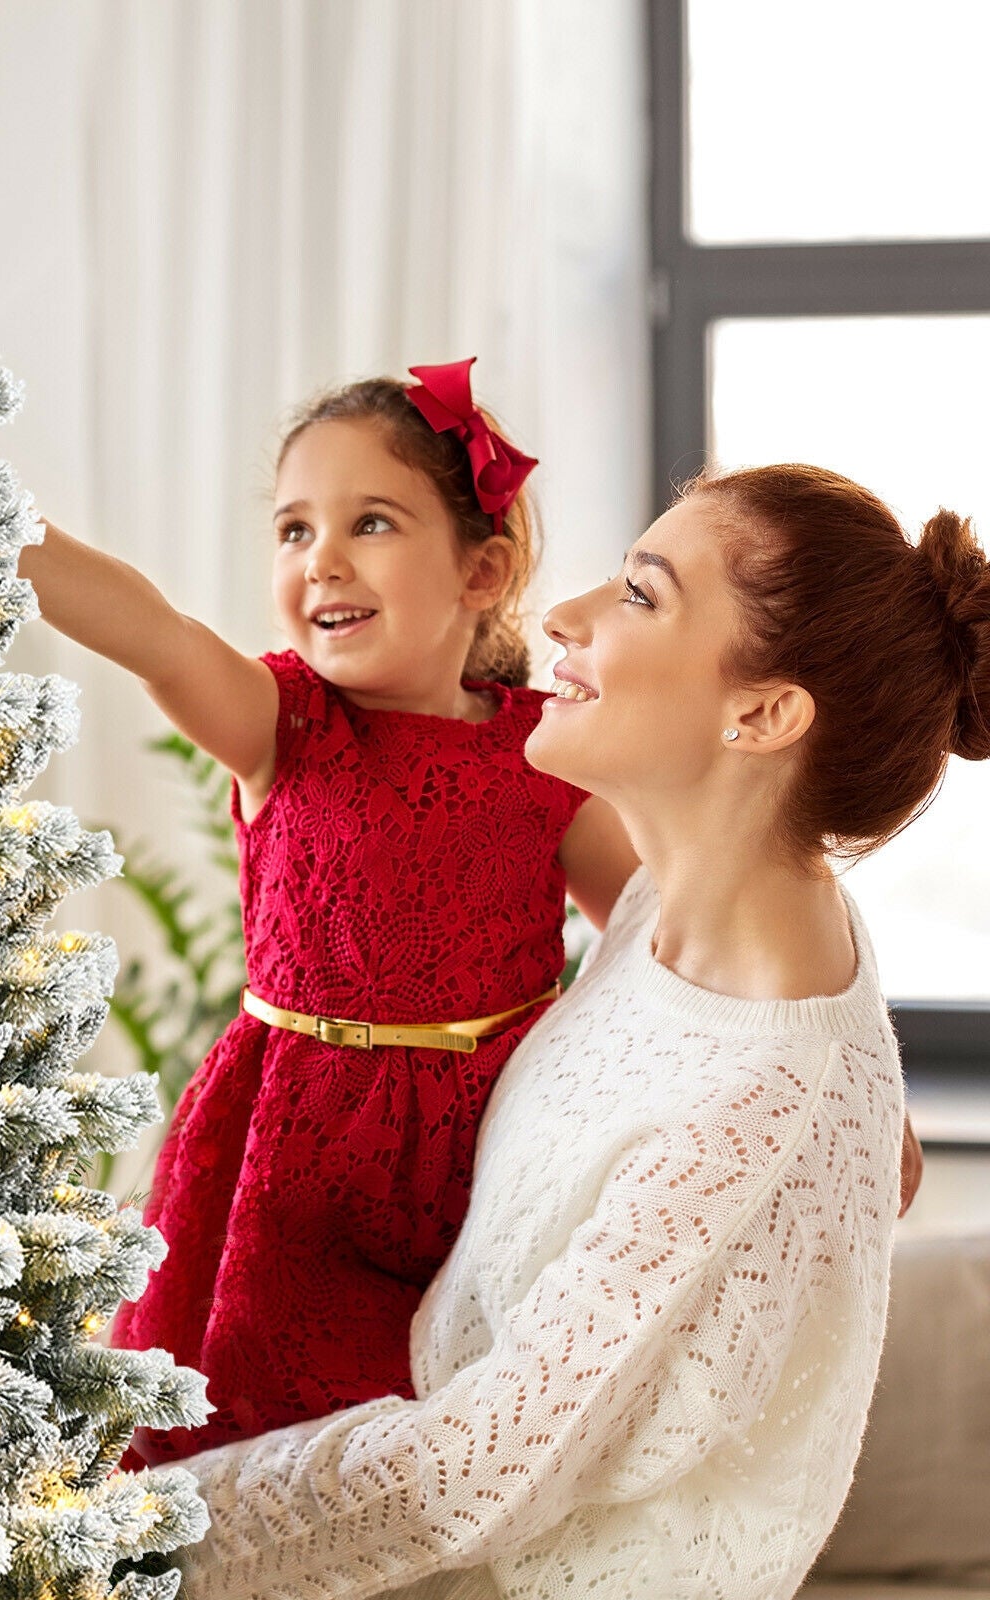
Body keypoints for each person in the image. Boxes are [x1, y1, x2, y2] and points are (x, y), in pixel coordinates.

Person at [169, 463, 975, 1600]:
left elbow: (466, 1472)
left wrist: (115, 1527)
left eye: (641, 595)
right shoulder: (694, 904)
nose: (561, 616)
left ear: (762, 715)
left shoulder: (752, 1101)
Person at [18, 360, 641, 1461]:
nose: (323, 561)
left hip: (486, 1160)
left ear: (482, 570)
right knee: (248, 1450)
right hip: (285, 1164)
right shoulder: (282, 722)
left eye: (372, 522)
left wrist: (833, 1080)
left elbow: (665, 939)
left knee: (443, 1454)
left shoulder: (546, 753)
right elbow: (153, 633)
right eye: (294, 529)